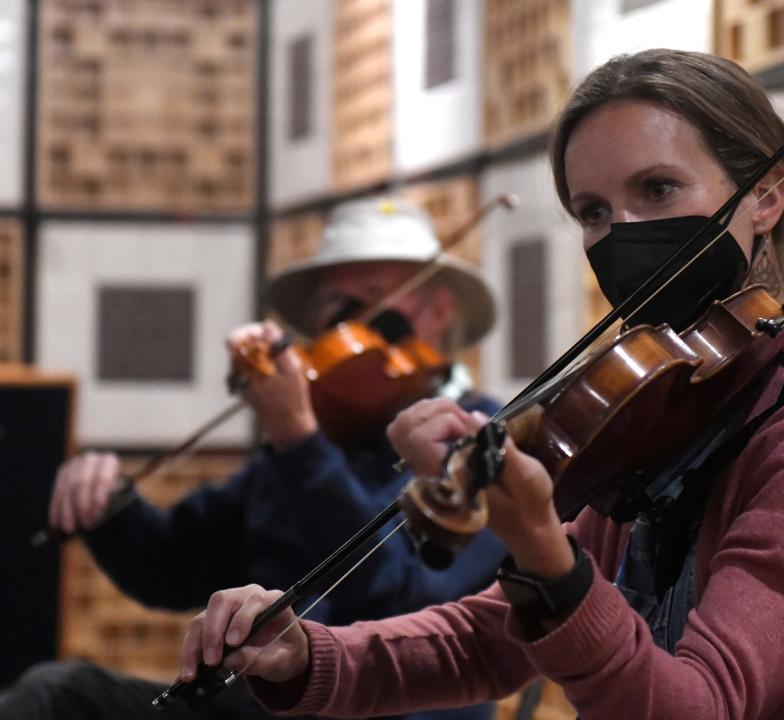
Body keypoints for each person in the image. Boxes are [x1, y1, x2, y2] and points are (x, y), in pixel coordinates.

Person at [178, 50, 784, 720]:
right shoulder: (670, 407)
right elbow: (491, 637)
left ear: (765, 194)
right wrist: (305, 654)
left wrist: (549, 561)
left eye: (656, 190)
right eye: (591, 211)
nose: (618, 236)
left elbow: (698, 705)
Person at [1, 198, 504, 720]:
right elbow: (174, 566)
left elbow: (398, 599)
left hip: (385, 712)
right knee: (58, 696)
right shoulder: (309, 442)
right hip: (262, 705)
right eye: (336, 304)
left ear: (440, 312)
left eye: (375, 301)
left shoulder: (477, 438)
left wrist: (300, 441)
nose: (350, 327)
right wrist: (109, 506)